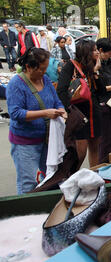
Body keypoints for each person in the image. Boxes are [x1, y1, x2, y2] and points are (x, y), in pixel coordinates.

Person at [6, 48, 67, 194]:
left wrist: (62, 111)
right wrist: (45, 113)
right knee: (27, 183)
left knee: (52, 178)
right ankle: (27, 213)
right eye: (41, 69)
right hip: (25, 142)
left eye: (46, 68)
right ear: (28, 67)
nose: (44, 72)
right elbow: (15, 113)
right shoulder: (16, 84)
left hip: (47, 139)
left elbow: (56, 101)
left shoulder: (45, 79)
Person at [57, 40, 107, 168]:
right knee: (80, 152)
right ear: (86, 52)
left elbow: (102, 91)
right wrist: (69, 111)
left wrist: (96, 72)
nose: (97, 52)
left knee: (95, 149)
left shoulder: (94, 66)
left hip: (94, 112)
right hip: (79, 114)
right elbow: (61, 91)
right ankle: (72, 178)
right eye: (94, 50)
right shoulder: (71, 66)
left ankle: (93, 178)